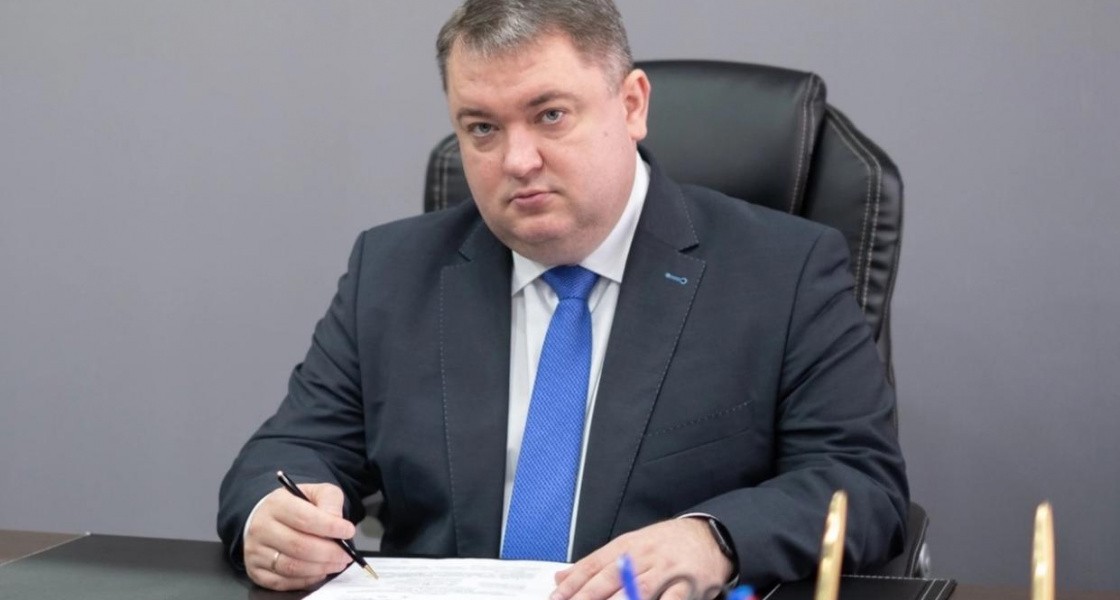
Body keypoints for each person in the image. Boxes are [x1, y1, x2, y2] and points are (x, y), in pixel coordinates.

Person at [217, 0, 909, 597]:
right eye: (482, 128)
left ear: (632, 105)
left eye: (549, 115)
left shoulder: (783, 271)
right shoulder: (394, 270)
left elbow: (861, 483)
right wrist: (274, 515)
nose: (517, 161)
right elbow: (289, 450)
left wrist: (716, 538)